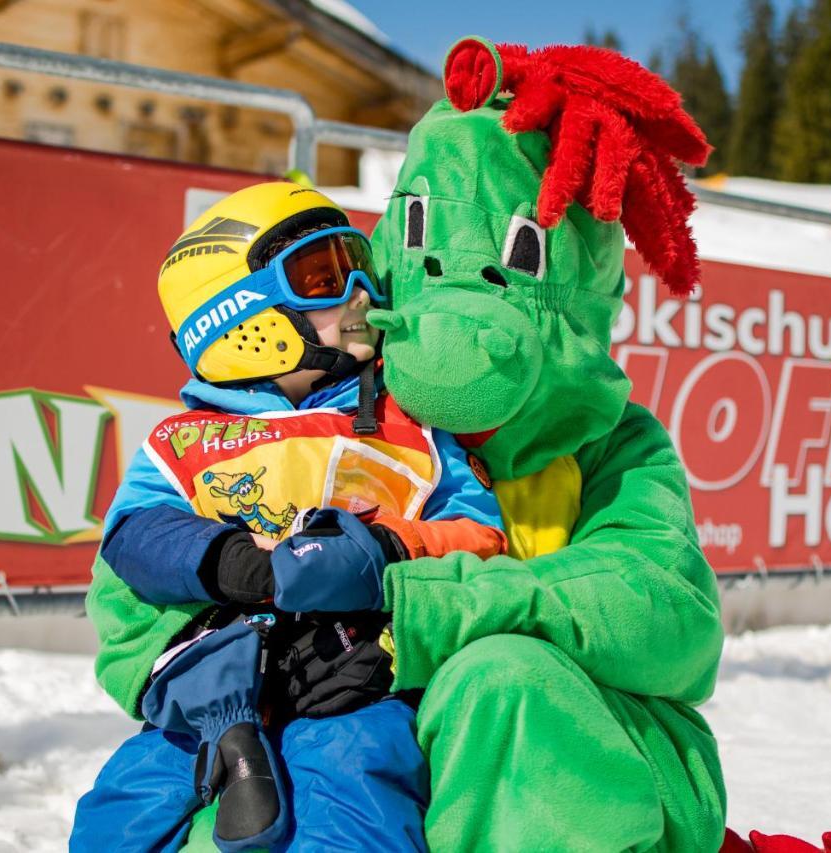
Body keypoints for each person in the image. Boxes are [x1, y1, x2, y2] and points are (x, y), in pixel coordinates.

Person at [71, 181, 506, 852]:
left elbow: (481, 533)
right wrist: (233, 562)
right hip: (215, 692)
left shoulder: (406, 426)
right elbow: (134, 535)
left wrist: (384, 549)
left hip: (352, 681)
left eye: (357, 261)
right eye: (322, 274)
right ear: (239, 316)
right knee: (119, 812)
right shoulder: (184, 441)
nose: (361, 288)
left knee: (352, 795)